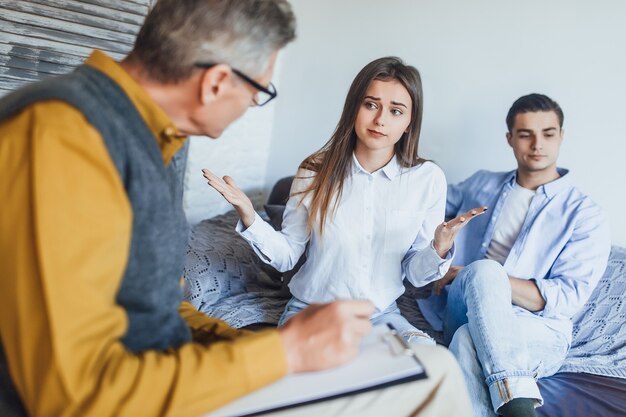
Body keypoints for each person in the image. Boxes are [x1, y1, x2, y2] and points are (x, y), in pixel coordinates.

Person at [0, 1, 472, 416]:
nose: (251, 105)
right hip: (138, 395)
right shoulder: (61, 136)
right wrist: (281, 357)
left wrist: (257, 346)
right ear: (216, 82)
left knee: (432, 365)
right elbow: (73, 394)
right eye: (258, 92)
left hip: (165, 372)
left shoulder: (144, 141)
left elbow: (154, 309)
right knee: (433, 378)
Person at [203, 56, 486, 344]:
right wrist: (249, 216)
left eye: (396, 111)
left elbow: (415, 275)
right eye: (371, 105)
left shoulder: (427, 179)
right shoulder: (314, 171)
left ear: (409, 122)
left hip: (381, 316)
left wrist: (440, 247)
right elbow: (287, 254)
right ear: (354, 108)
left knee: (432, 362)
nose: (380, 120)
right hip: (312, 313)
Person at [421, 93, 611, 417]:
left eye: (548, 134)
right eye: (525, 134)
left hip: (540, 331)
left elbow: (566, 298)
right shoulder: (481, 184)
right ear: (510, 139)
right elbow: (423, 202)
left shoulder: (585, 214)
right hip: (463, 308)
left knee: (468, 339)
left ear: (561, 136)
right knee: (481, 277)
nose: (537, 144)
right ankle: (519, 409)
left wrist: (480, 273)